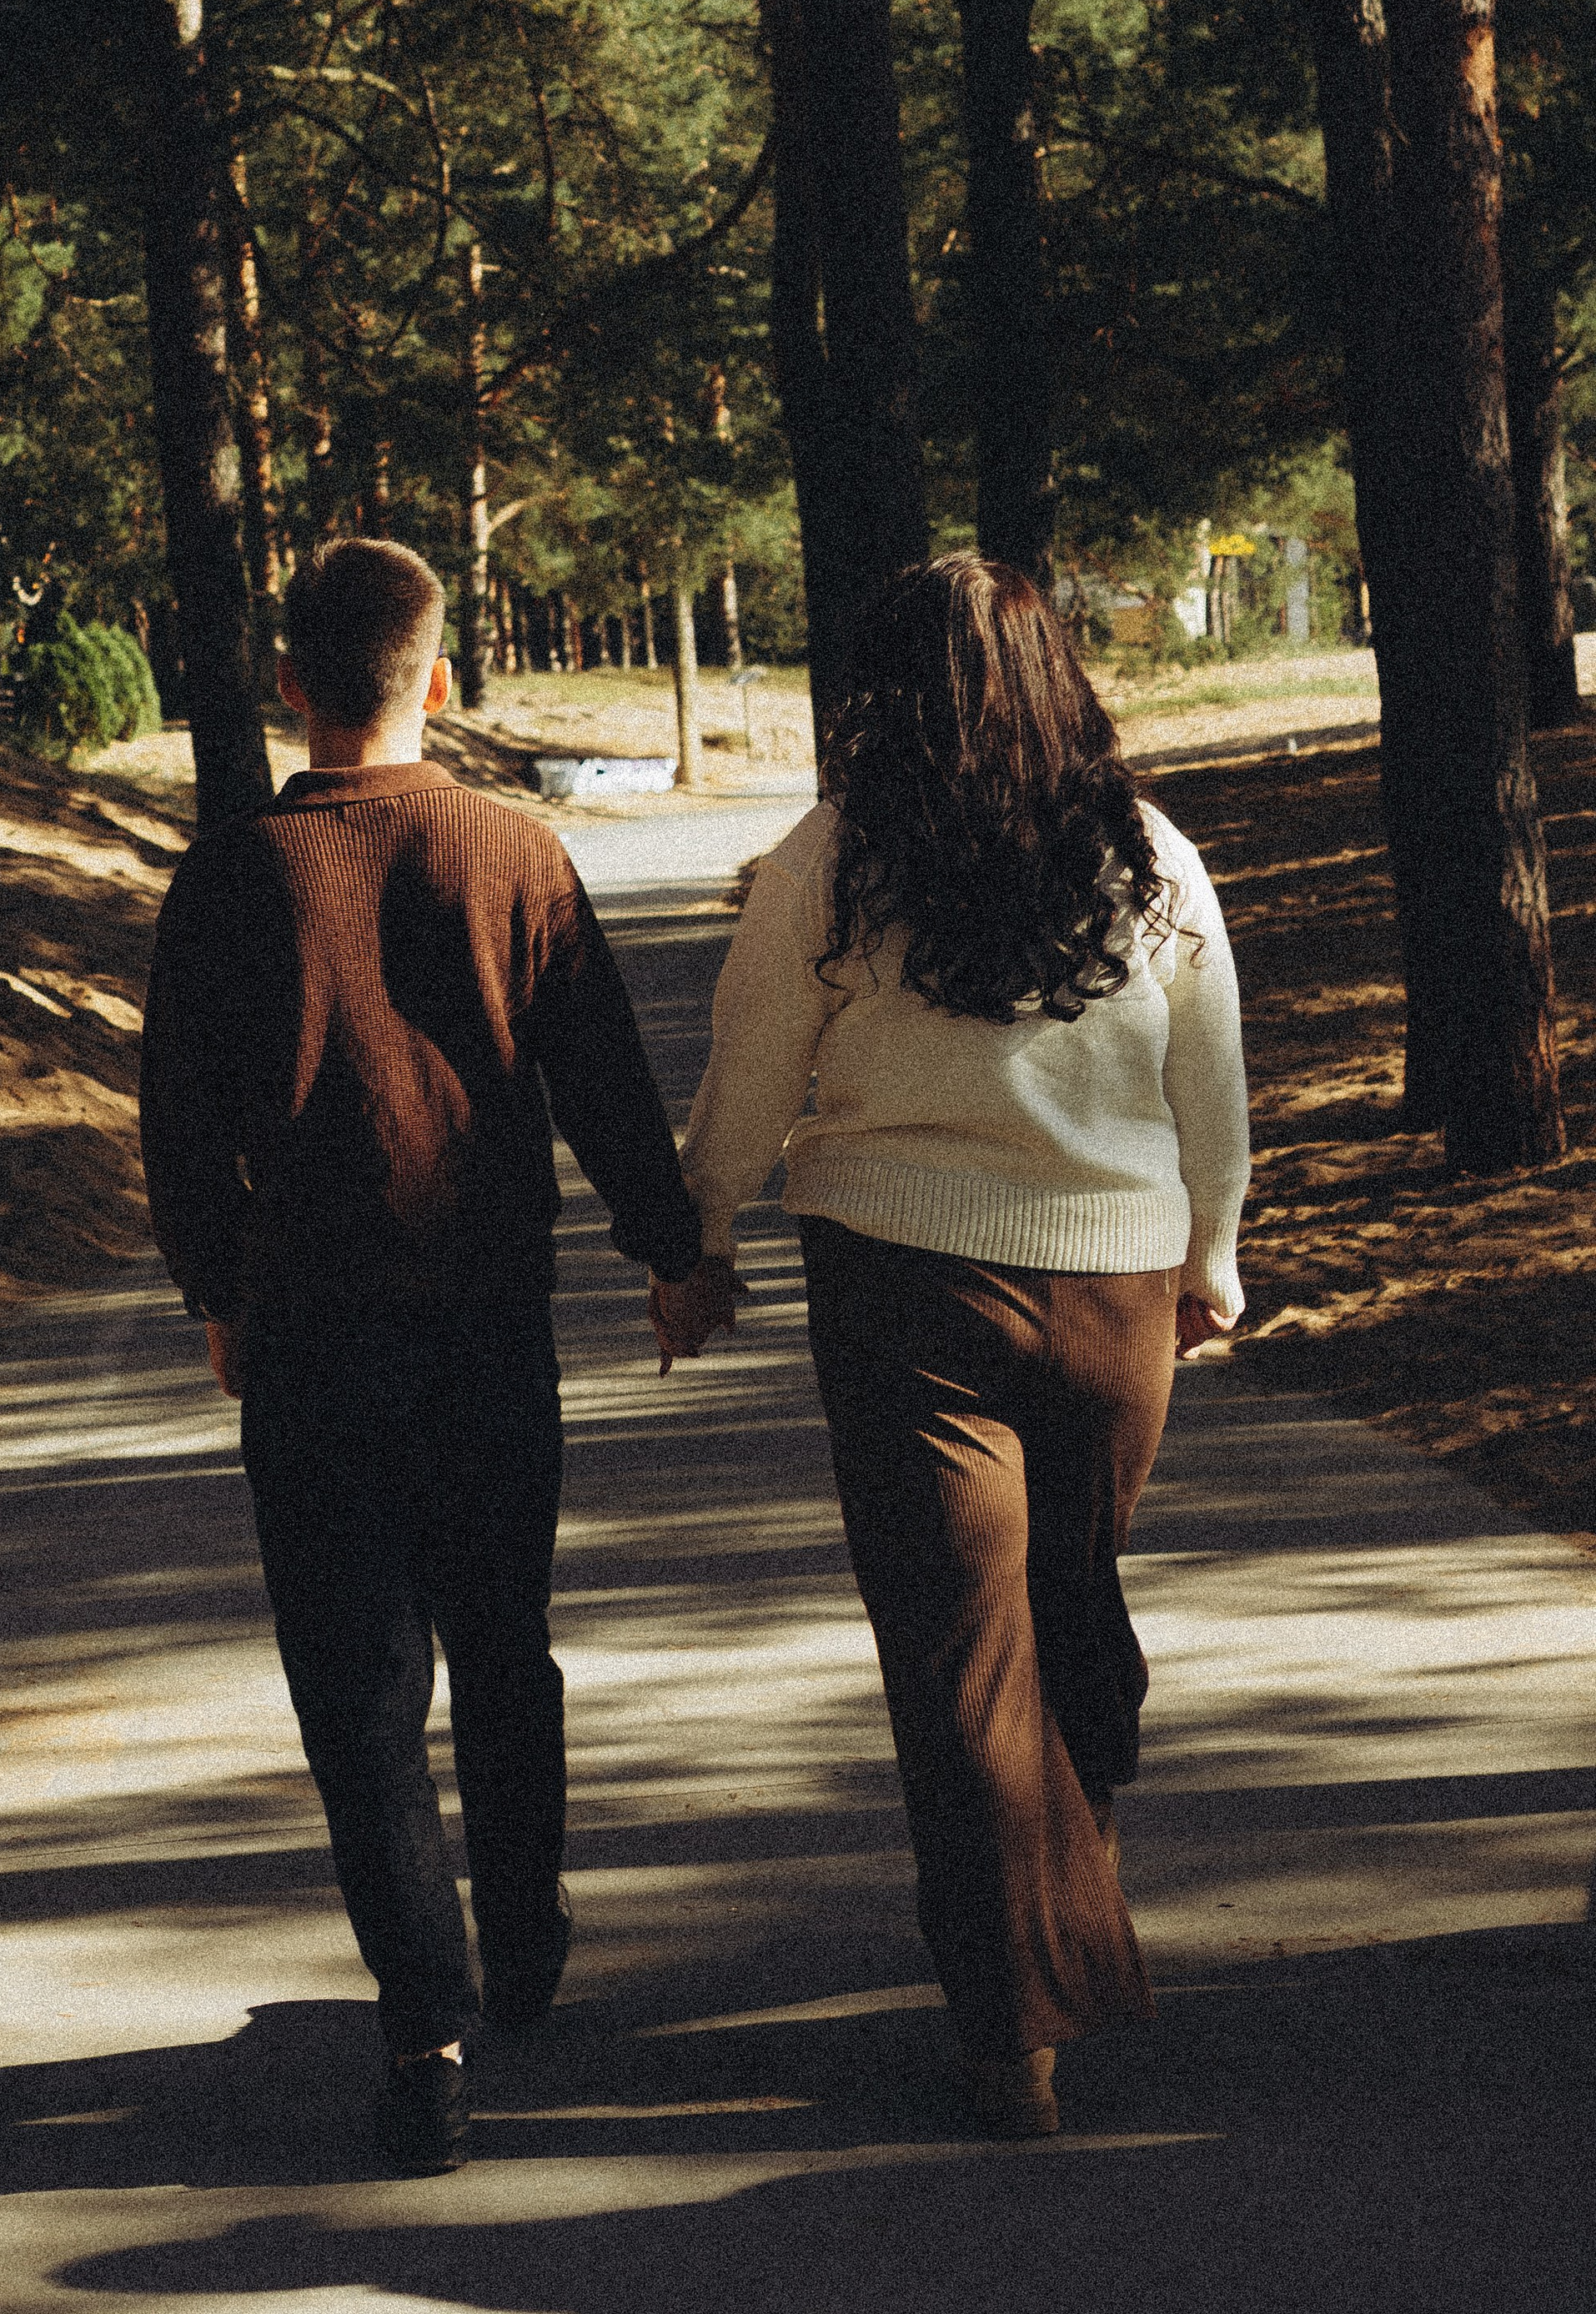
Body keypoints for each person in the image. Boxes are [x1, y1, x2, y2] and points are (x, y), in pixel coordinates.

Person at [140, 537, 737, 2176]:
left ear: (288, 687)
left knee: (358, 1694)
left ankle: (426, 2038)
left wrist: (214, 1291)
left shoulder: (227, 876)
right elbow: (600, 1080)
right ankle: (527, 1925)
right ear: (441, 681)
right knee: (502, 1635)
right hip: (486, 1325)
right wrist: (668, 1247)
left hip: (312, 1339)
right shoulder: (510, 852)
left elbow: (179, 1127)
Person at [674, 555, 1247, 2139]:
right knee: (1063, 1607)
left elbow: (752, 1067)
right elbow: (1215, 1081)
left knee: (964, 1658)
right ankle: (1056, 1914)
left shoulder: (832, 861)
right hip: (1115, 1296)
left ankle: (1016, 2033)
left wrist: (702, 1235)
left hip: (903, 1293)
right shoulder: (1150, 857)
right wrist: (1213, 1257)